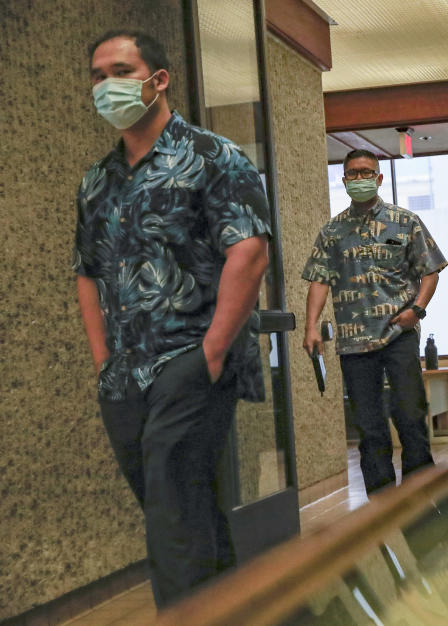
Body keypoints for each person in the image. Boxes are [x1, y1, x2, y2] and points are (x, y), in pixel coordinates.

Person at [74, 31, 271, 608]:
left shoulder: (214, 156)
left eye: (120, 70)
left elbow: (250, 251)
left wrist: (209, 353)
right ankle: (238, 611)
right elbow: (88, 271)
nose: (106, 85)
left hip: (191, 362)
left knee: (171, 509)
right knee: (184, 506)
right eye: (97, 75)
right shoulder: (96, 181)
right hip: (124, 376)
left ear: (158, 80)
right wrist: (103, 360)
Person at [302, 149, 447, 494]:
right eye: (353, 173)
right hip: (354, 341)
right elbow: (319, 280)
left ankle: (420, 492)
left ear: (379, 178)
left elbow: (430, 272)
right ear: (344, 180)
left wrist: (418, 310)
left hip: (399, 332)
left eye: (366, 172)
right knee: (369, 426)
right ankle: (381, 500)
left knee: (410, 415)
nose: (359, 178)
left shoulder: (405, 222)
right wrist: (311, 326)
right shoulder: (333, 231)